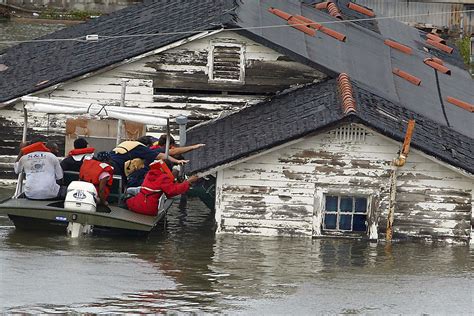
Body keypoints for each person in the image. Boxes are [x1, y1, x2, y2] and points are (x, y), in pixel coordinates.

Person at [126, 160, 199, 216]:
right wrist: (188, 182)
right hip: (149, 208)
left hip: (136, 204)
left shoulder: (149, 174)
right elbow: (172, 191)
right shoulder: (163, 177)